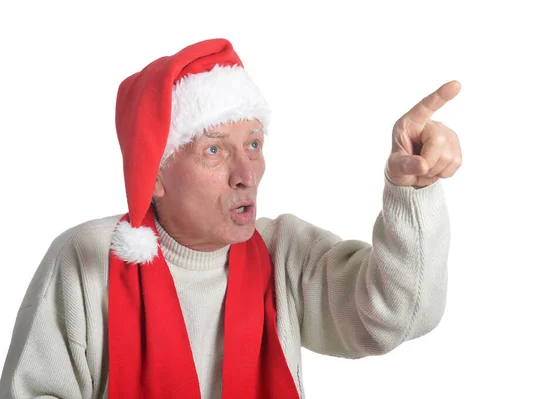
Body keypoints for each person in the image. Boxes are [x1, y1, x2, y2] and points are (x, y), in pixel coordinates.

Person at [0, 38, 462, 399]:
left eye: (255, 144)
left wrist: (412, 192)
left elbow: (399, 315)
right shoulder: (85, 261)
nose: (246, 174)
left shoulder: (285, 252)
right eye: (215, 150)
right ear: (155, 174)